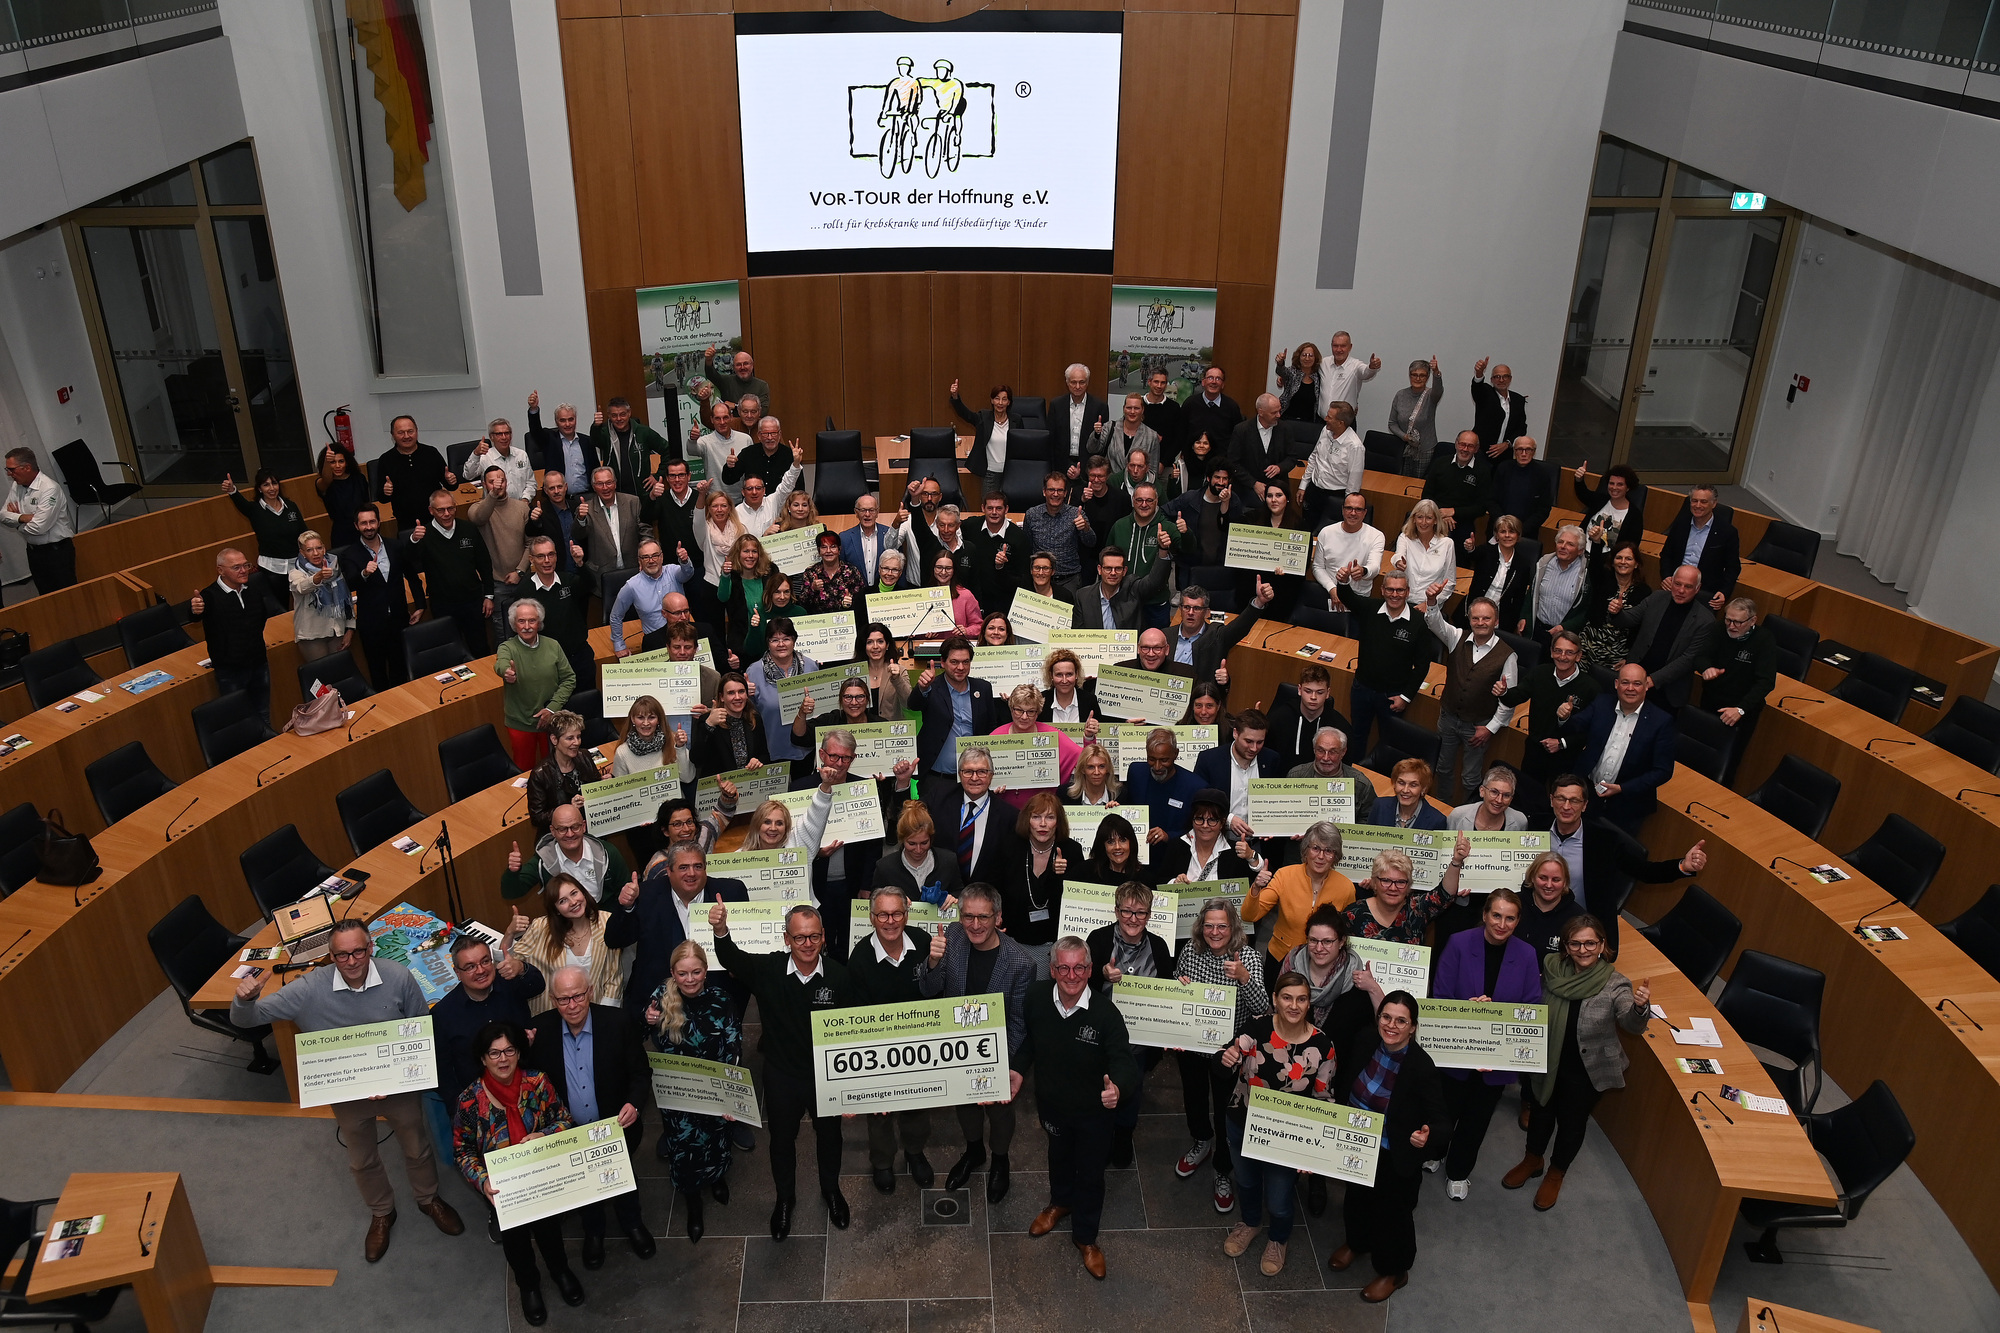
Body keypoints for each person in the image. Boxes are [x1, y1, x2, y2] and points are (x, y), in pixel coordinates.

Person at [233, 919, 465, 1260]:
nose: (352, 961)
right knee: (361, 1159)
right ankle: (382, 1211)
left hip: (398, 1087)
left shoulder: (398, 977)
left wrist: (398, 1075)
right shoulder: (309, 989)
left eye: (358, 951)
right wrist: (244, 1001)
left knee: (417, 1147)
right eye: (342, 955)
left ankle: (428, 1199)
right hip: (347, 1094)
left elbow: (420, 1028)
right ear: (330, 956)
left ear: (370, 948)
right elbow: (246, 1020)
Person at [713, 900, 851, 1238]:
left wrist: (852, 1089)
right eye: (800, 937)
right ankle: (785, 1200)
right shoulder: (768, 969)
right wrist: (720, 930)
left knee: (830, 1136)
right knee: (781, 1141)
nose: (808, 944)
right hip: (781, 1075)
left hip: (826, 1076)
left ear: (823, 939)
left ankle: (831, 1191)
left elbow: (853, 1031)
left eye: (814, 937)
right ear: (786, 939)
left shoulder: (839, 976)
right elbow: (731, 958)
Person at [1501, 914, 1650, 1210]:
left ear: (1602, 944)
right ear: (1565, 946)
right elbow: (1529, 1002)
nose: (1584, 950)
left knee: (1571, 1123)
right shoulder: (1551, 969)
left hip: (1587, 1071)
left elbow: (1630, 1024)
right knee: (1541, 1113)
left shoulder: (1615, 983)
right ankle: (1533, 1159)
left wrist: (1639, 1008)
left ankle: (1556, 1173)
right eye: (1576, 943)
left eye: (1591, 943)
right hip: (1546, 1060)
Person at [1017, 935, 1139, 1280]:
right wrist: (1015, 1070)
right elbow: (1030, 1041)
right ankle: (1060, 1203)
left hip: (1093, 1115)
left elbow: (1124, 1063)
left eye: (1080, 968)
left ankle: (1086, 1238)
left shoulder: (1105, 1013)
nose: (1072, 975)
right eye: (1064, 968)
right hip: (1052, 1105)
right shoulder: (1036, 998)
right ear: (1053, 970)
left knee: (1090, 1174)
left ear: (1089, 970)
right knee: (1057, 1157)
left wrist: (1119, 1087)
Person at [452, 1021, 580, 1324]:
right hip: (501, 1189)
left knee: (550, 1231)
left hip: (543, 1177)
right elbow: (462, 1150)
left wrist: (545, 1135)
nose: (503, 1059)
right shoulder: (470, 1100)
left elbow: (564, 1119)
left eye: (509, 1050)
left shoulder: (537, 1082)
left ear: (519, 1052)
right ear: (482, 1058)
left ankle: (560, 1271)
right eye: (494, 1053)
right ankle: (529, 1286)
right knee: (516, 1241)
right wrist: (483, 1184)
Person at [917, 881, 1037, 1203]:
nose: (975, 925)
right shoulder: (951, 938)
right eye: (968, 916)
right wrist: (932, 962)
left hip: (997, 1054)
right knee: (966, 1107)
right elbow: (928, 991)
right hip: (957, 1049)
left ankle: (1000, 1160)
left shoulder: (1021, 962)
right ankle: (973, 1152)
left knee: (999, 1114)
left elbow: (1019, 1022)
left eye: (983, 917)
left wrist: (1003, 1067)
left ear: (997, 917)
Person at [528, 967, 658, 1265]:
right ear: (552, 999)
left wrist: (635, 1104)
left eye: (578, 996)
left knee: (623, 1178)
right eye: (563, 999)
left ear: (591, 993)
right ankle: (594, 1232)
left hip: (615, 1126)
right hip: (569, 1133)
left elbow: (640, 1073)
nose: (572, 1005)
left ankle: (633, 1224)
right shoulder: (539, 1032)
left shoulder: (618, 1022)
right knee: (583, 1186)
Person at [1327, 991, 1449, 1301]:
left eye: (1401, 1020)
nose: (1391, 1025)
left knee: (1391, 1215)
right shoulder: (1366, 1040)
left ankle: (1395, 1271)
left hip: (1394, 1152)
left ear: (1413, 1027)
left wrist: (1427, 1135)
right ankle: (1357, 1242)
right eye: (1386, 1017)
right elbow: (1345, 1082)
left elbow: (1441, 1123)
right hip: (1355, 1143)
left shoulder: (1422, 1067)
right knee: (1355, 1198)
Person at [1219, 969, 1337, 1275]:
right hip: (1242, 1119)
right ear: (1275, 999)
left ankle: (1278, 1238)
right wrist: (1228, 1056)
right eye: (1287, 998)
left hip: (1288, 1136)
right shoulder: (1256, 1027)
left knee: (1280, 1196)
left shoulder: (1324, 1046)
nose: (1294, 1005)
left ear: (1310, 1003)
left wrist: (1315, 1150)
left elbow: (1324, 1099)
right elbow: (1233, 1051)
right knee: (1245, 1181)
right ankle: (1250, 1222)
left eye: (1301, 999)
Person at [1431, 888, 1543, 1199]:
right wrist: (1469, 1009)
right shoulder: (1459, 943)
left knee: (1477, 1118)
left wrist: (1497, 1013)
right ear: (1485, 915)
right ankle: (1435, 1152)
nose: (1502, 924)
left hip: (1497, 1057)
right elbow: (1440, 996)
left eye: (1510, 918)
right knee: (1445, 1109)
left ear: (1518, 921)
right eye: (1496, 915)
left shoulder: (1526, 954)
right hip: (1456, 1045)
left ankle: (1458, 1172)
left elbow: (1531, 1007)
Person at [427, 938, 544, 1218]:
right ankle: (500, 1212)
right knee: (493, 1172)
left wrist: (522, 968)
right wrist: (460, 1112)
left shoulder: (510, 985)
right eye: (469, 967)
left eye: (484, 961)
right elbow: (443, 1070)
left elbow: (537, 985)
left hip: (526, 1096)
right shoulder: (443, 1014)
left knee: (536, 1154)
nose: (480, 970)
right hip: (481, 1111)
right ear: (456, 972)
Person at [1172, 898, 1270, 1213]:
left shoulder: (1250, 959)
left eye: (1222, 926)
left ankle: (1222, 1169)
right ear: (1202, 927)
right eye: (1210, 925)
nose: (1215, 932)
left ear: (1233, 927)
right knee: (1194, 1098)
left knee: (1226, 1111)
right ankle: (1201, 1140)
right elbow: (1177, 983)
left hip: (1229, 1051)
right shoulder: (1190, 951)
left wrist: (1243, 977)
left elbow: (1262, 1010)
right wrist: (1179, 983)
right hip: (1192, 1045)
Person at [1526, 773, 1707, 941]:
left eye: (1574, 800)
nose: (1566, 806)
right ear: (1551, 800)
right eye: (1561, 799)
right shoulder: (1535, 825)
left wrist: (1683, 866)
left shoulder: (1604, 841)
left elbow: (1644, 871)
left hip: (1581, 927)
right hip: (1536, 918)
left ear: (1585, 805)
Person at [644, 941, 741, 1242]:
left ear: (705, 971)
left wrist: (730, 1093)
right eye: (682, 973)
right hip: (678, 1093)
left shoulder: (722, 998)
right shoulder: (660, 998)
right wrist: (646, 1022)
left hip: (714, 1087)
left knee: (717, 1137)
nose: (689, 979)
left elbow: (734, 1043)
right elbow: (646, 1039)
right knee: (685, 1147)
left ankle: (717, 1178)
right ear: (673, 972)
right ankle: (692, 1202)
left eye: (696, 972)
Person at [847, 885, 938, 1194]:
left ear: (906, 914)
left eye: (896, 913)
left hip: (919, 1045)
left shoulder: (925, 943)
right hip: (878, 1048)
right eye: (883, 914)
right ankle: (883, 1161)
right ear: (872, 918)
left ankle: (914, 1151)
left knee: (917, 1104)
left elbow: (937, 992)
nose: (890, 921)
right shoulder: (859, 958)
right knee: (879, 1113)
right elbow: (856, 1014)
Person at [1085, 879, 1172, 1163]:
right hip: (1099, 1035)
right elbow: (1074, 982)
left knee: (1131, 1091)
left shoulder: (1158, 946)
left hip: (1138, 1041)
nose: (1133, 919)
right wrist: (1100, 975)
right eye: (1126, 912)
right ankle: (1096, 1135)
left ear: (1149, 915)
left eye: (1140, 913)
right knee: (1095, 1088)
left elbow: (1167, 990)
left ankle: (1124, 1137)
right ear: (1116, 911)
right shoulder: (1097, 940)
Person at [1421, 593, 1520, 805]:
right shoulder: (1457, 636)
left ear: (1497, 621)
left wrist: (1490, 728)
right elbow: (1434, 622)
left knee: (1471, 777)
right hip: (1447, 718)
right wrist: (1431, 602)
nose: (1480, 623)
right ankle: (1442, 805)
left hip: (1478, 727)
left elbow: (1509, 699)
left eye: (1486, 619)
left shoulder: (1508, 655)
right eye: (1476, 618)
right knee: (1443, 768)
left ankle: (1467, 813)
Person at [1568, 662, 1679, 836]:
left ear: (1646, 686)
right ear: (1616, 684)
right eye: (1625, 682)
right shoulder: (1602, 703)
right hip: (1587, 793)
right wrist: (1564, 716)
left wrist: (1622, 788)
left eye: (1637, 683)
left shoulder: (1661, 722)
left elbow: (1663, 771)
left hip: (1627, 805)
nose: (1630, 688)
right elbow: (1575, 726)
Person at [1334, 568, 1431, 760]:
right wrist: (1343, 581)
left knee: (1389, 743)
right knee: (1358, 737)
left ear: (1408, 592)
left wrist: (1406, 697)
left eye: (1400, 590)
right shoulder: (1370, 608)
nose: (1395, 594)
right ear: (1382, 590)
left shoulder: (1418, 622)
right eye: (1390, 589)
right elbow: (1348, 597)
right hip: (1362, 689)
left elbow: (1422, 665)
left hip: (1393, 696)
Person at [1500, 629, 1598, 816]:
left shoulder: (1591, 688)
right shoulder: (1539, 673)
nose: (1563, 657)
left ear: (1578, 656)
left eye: (1569, 652)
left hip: (1566, 760)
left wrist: (1561, 743)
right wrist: (1504, 692)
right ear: (1552, 652)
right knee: (1526, 799)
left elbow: (1592, 732)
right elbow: (1515, 697)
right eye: (1558, 651)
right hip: (1534, 752)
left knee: (1560, 806)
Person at [1245, 821, 1356, 976]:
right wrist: (1256, 887)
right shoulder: (1285, 875)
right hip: (1281, 959)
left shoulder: (1346, 887)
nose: (1321, 856)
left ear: (1336, 855)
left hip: (1324, 965)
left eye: (1328, 851)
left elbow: (1347, 933)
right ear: (1305, 850)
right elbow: (1249, 915)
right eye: (1315, 848)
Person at [191, 546, 285, 720]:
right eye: (236, 567)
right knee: (238, 717)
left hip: (258, 663)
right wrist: (195, 610)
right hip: (230, 671)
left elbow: (260, 619)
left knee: (263, 712)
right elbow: (197, 614)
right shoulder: (209, 596)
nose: (243, 571)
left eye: (246, 565)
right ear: (221, 570)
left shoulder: (253, 590)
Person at [507, 873, 624, 1011]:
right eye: (562, 901)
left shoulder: (607, 922)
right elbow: (510, 963)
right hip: (551, 1013)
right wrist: (509, 933)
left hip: (595, 1010)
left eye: (574, 893)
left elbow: (614, 977)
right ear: (555, 909)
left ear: (583, 892)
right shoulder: (541, 927)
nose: (573, 902)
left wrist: (602, 1018)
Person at [1694, 597, 1777, 780]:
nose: (1731, 626)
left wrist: (1741, 709)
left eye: (1738, 622)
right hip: (1711, 702)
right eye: (1728, 619)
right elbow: (1700, 656)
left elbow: (1766, 681)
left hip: (1741, 711)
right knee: (1699, 752)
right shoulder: (1718, 629)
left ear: (1752, 621)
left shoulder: (1764, 640)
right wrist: (1706, 668)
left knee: (1727, 762)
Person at [339, 503, 422, 688]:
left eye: (372, 522)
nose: (368, 527)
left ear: (379, 522)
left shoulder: (395, 546)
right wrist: (365, 574)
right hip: (372, 625)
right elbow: (350, 583)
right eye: (363, 523)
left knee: (400, 670)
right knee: (377, 673)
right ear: (356, 526)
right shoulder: (349, 554)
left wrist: (420, 605)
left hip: (399, 620)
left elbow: (412, 576)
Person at [911, 636, 1004, 799]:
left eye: (966, 662)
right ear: (943, 662)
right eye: (954, 662)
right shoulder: (931, 687)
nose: (960, 667)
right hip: (937, 779)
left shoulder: (983, 688)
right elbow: (913, 704)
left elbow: (991, 728)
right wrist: (922, 688)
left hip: (974, 780)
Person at [1618, 563, 1717, 708]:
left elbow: (1688, 659)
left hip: (1667, 691)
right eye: (1677, 584)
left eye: (1688, 586)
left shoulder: (1705, 620)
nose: (1681, 590)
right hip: (1635, 678)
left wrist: (1652, 680)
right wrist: (1617, 612)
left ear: (1697, 588)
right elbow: (1629, 619)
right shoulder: (1657, 597)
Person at [411, 488, 494, 657]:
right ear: (431, 511)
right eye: (441, 510)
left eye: (451, 508)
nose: (447, 514)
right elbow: (409, 564)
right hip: (443, 605)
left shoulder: (468, 529)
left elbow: (484, 563)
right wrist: (413, 541)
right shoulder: (424, 536)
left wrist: (489, 595)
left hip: (472, 601)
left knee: (479, 648)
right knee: (451, 652)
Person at [494, 599, 576, 772]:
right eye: (521, 621)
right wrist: (507, 672)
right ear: (513, 624)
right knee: (525, 772)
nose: (526, 626)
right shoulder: (507, 647)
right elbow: (501, 664)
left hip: (552, 721)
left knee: (557, 769)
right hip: (520, 724)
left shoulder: (553, 645)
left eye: (532, 620)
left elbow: (569, 679)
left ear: (539, 623)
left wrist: (552, 709)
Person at [988, 683, 1084, 811]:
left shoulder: (1051, 736)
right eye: (1019, 710)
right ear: (1011, 708)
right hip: (1005, 811)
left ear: (1038, 712)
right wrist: (991, 787)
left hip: (1042, 811)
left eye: (1031, 711)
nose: (1024, 717)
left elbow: (1085, 757)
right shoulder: (995, 736)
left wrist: (1088, 738)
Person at [469, 464, 534, 646]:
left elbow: (531, 544)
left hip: (523, 579)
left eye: (502, 480)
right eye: (492, 482)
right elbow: (478, 518)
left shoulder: (521, 508)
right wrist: (492, 495)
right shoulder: (478, 508)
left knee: (529, 628)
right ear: (484, 484)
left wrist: (520, 571)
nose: (498, 485)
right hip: (497, 583)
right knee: (502, 633)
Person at [1347, 847, 1470, 943]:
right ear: (1374, 882)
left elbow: (1445, 895)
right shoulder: (1352, 914)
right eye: (1386, 881)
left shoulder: (1417, 908)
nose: (1393, 888)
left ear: (1409, 885)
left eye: (1401, 882)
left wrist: (1457, 861)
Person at [224, 469, 308, 605]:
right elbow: (240, 503)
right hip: (271, 569)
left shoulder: (291, 506)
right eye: (266, 485)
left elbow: (304, 534)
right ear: (259, 489)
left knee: (304, 603)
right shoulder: (255, 510)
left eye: (274, 483)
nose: (271, 488)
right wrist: (232, 490)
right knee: (280, 607)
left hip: (296, 565)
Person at [1102, 482, 1176, 631]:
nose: (1144, 504)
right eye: (1139, 500)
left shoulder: (1167, 528)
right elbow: (1106, 557)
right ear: (1133, 501)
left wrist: (1185, 533)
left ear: (1157, 502)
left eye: (1149, 500)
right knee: (1124, 647)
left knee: (1156, 649)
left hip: (1155, 603)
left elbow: (1189, 550)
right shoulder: (1119, 526)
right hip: (1123, 600)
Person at [744, 617, 817, 764]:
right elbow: (747, 714)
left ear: (794, 640)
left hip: (805, 750)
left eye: (786, 639)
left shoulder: (810, 666)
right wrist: (745, 695)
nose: (781, 644)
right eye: (774, 640)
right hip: (770, 750)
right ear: (767, 643)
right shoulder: (754, 672)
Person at [608, 540, 698, 657]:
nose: (651, 561)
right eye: (645, 557)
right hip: (655, 643)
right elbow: (616, 616)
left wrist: (684, 561)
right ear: (639, 560)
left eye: (655, 555)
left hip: (684, 639)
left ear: (662, 557)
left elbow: (687, 573)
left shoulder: (672, 572)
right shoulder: (631, 586)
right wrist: (619, 645)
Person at [1658, 484, 1740, 610]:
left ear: (1714, 504)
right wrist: (1667, 576)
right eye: (1694, 501)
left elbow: (1733, 567)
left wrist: (1724, 592)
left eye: (1704, 502)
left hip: (1705, 590)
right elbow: (1666, 554)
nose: (1697, 505)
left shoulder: (1727, 532)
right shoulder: (1681, 524)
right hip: (1676, 585)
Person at [518, 712, 591, 839]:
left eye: (578, 737)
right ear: (554, 740)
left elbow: (593, 787)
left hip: (588, 827)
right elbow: (537, 818)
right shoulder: (540, 774)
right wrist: (569, 809)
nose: (576, 742)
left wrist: (604, 783)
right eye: (570, 738)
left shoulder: (584, 756)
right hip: (560, 837)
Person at [372, 414, 453, 528]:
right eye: (401, 433)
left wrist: (451, 481)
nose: (406, 436)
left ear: (416, 432)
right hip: (406, 523)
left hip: (436, 519)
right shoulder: (386, 460)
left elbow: (451, 487)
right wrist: (386, 492)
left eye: (410, 431)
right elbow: (382, 498)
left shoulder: (431, 453)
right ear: (393, 435)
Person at [1122, 730, 1204, 841]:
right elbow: (1127, 807)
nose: (1157, 767)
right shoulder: (1136, 772)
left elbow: (1200, 828)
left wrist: (1169, 836)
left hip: (1175, 852)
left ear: (1176, 754)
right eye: (1151, 759)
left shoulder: (1195, 786)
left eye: (1164, 760)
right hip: (1138, 850)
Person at [1422, 431, 1494, 558]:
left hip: (1463, 521)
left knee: (1460, 551)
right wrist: (1441, 514)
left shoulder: (1483, 471)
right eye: (1462, 444)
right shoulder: (1440, 463)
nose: (1465, 449)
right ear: (1456, 444)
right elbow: (1426, 495)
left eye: (1470, 446)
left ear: (1476, 449)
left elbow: (1481, 507)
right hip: (1434, 514)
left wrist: (1453, 512)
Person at [1023, 471, 1097, 590]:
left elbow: (1091, 542)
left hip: (1069, 580)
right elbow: (1027, 546)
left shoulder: (1076, 514)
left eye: (1060, 490)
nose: (1055, 494)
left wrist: (1085, 528)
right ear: (1044, 492)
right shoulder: (1032, 514)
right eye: (1051, 490)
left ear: (1065, 493)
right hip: (1041, 579)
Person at [1299, 400, 1365, 532]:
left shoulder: (1355, 446)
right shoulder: (1325, 430)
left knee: (1327, 534)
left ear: (1341, 423)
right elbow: (1314, 457)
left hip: (1335, 496)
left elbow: (1354, 483)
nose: (1325, 419)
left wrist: (1347, 507)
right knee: (1306, 530)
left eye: (1329, 417)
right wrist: (1303, 485)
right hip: (1314, 490)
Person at [290, 531, 354, 664]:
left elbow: (347, 599)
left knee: (339, 675)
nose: (315, 553)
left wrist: (350, 628)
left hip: (337, 631)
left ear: (324, 548)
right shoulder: (296, 573)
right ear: (302, 553)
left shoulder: (334, 568)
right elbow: (302, 587)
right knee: (323, 679)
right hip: (312, 636)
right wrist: (318, 577)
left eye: (318, 548)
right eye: (309, 550)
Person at [590, 396, 673, 498]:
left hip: (642, 493)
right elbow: (595, 441)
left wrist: (658, 475)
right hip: (615, 495)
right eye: (614, 415)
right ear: (609, 416)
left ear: (629, 413)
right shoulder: (605, 433)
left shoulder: (643, 432)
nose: (619, 419)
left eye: (623, 414)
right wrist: (596, 426)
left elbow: (668, 450)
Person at [1460, 513, 1531, 632]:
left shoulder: (1523, 564)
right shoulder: (1486, 552)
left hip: (1500, 621)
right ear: (1496, 535)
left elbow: (1519, 598)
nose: (1507, 535)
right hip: (1473, 615)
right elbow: (1473, 554)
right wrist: (1470, 548)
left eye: (1512, 531)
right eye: (1503, 531)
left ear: (1518, 535)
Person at [962, 493, 1030, 617]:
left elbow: (1023, 578)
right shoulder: (970, 527)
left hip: (1004, 601)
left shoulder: (1018, 537)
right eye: (990, 508)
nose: (994, 512)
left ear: (1006, 509)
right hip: (975, 598)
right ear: (983, 508)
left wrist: (1001, 568)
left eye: (999, 508)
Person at [1311, 491, 1385, 602]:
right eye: (1349, 508)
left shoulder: (1376, 536)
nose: (1353, 513)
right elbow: (1317, 567)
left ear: (1365, 513)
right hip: (1329, 591)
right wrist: (1332, 589)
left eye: (1358, 509)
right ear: (1342, 510)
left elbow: (1374, 567)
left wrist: (1363, 571)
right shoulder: (1326, 532)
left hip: (1358, 596)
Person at [1531, 524, 1595, 648]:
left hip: (1567, 635)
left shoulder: (1587, 574)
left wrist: (1565, 627)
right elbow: (1531, 594)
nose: (1563, 546)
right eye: (1560, 542)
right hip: (1538, 630)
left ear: (1580, 550)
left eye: (1570, 544)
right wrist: (1525, 617)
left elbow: (1587, 610)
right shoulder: (1543, 564)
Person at [693, 671, 770, 775]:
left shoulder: (754, 718)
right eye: (731, 693)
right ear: (721, 697)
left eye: (741, 691)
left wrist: (757, 762)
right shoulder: (707, 720)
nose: (737, 697)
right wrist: (709, 725)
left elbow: (764, 754)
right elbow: (696, 759)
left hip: (748, 783)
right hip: (719, 786)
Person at [578, 466, 642, 589]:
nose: (605, 488)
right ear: (593, 487)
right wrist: (581, 518)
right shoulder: (586, 508)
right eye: (600, 484)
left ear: (615, 483)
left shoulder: (632, 502)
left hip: (633, 570)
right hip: (603, 575)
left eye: (609, 482)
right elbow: (579, 535)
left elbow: (644, 530)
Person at [525, 395, 597, 502]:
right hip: (560, 499)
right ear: (556, 422)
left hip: (587, 497)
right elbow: (536, 431)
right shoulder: (549, 439)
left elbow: (595, 469)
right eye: (562, 420)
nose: (567, 424)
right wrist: (534, 410)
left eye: (571, 419)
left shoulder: (586, 441)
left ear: (575, 420)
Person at [952, 379, 1015, 498]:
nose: (1000, 402)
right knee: (990, 507)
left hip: (1010, 473)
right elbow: (966, 414)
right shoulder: (984, 418)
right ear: (992, 400)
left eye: (1004, 399)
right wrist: (955, 397)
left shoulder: (1016, 420)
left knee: (1009, 507)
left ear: (1009, 402)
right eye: (997, 398)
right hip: (990, 472)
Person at [1183, 367, 1244, 486]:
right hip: (1193, 467)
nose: (1214, 381)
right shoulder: (1190, 404)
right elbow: (1182, 432)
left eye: (1218, 379)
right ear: (1203, 382)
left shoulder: (1231, 407)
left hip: (1220, 468)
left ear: (1223, 384)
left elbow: (1237, 438)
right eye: (1210, 378)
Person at [1052, 363, 1111, 482]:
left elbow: (1102, 445)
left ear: (1087, 382)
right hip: (1061, 466)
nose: (1077, 386)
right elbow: (1053, 440)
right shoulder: (1056, 405)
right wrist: (1068, 466)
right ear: (1067, 382)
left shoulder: (1100, 407)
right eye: (1073, 382)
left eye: (1082, 382)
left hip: (1089, 468)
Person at [1387, 356, 1444, 476]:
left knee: (1417, 484)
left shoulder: (1430, 396)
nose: (1417, 378)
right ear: (1409, 376)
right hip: (1403, 447)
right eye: (1414, 374)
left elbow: (1438, 391)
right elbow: (1392, 423)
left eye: (1422, 375)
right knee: (1401, 481)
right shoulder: (1400, 395)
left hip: (1425, 449)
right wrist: (1404, 437)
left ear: (1427, 377)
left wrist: (1436, 373)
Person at [1572, 462, 1645, 554]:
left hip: (1606, 562)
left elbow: (1631, 547)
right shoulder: (1600, 500)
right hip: (1579, 553)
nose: (1614, 487)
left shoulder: (1634, 516)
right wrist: (1579, 479)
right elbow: (1583, 494)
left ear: (1628, 488)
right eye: (1611, 483)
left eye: (1620, 484)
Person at [1392, 498, 1455, 603]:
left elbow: (1449, 582)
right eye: (1420, 517)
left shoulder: (1447, 544)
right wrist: (1398, 562)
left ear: (1435, 520)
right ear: (1414, 519)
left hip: (1430, 605)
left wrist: (1430, 603)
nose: (1424, 522)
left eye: (1429, 518)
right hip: (1403, 601)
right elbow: (1399, 555)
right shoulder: (1405, 538)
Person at [1491, 436, 1554, 538]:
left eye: (1528, 449)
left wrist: (1520, 530)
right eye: (1520, 449)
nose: (1524, 454)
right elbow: (1491, 500)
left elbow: (1543, 509)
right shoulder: (1503, 468)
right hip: (1499, 529)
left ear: (1534, 452)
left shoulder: (1542, 475)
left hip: (1526, 533)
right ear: (1514, 451)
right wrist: (1503, 524)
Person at [794, 530, 865, 617]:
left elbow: (862, 602)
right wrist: (812, 589)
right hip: (819, 622)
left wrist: (851, 603)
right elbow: (801, 604)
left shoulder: (851, 571)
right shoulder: (810, 573)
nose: (828, 551)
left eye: (833, 547)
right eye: (824, 547)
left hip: (847, 622)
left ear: (839, 550)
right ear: (818, 550)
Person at [840, 494, 902, 589]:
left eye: (872, 510)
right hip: (856, 595)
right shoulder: (844, 538)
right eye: (863, 510)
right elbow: (841, 570)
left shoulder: (889, 534)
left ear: (877, 512)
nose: (867, 514)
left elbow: (899, 566)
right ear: (856, 512)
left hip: (884, 593)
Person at [317, 439, 370, 548]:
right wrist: (327, 461)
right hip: (342, 534)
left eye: (341, 461)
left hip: (364, 529)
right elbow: (326, 479)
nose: (337, 465)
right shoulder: (324, 484)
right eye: (333, 462)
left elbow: (367, 504)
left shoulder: (359, 478)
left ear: (347, 462)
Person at [611, 694, 678, 780]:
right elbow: (620, 789)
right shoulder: (622, 752)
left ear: (658, 720)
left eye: (651, 717)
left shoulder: (672, 741)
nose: (646, 723)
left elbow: (688, 778)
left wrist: (681, 748)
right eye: (640, 718)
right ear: (633, 719)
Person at [1469, 359, 1528, 454]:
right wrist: (1479, 373)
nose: (1501, 380)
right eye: (1497, 377)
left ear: (1510, 379)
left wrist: (1507, 444)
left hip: (1505, 453)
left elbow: (1521, 428)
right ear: (1491, 380)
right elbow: (1477, 388)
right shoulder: (1486, 394)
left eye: (1505, 376)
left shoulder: (1518, 400)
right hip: (1481, 451)